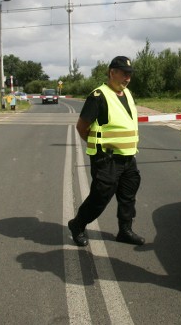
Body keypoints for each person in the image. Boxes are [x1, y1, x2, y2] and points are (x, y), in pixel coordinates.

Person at [68, 56, 145, 247]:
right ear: (112, 73)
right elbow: (81, 127)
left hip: (128, 158)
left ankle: (125, 231)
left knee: (128, 196)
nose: (128, 78)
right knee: (100, 198)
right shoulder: (98, 96)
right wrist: (99, 147)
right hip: (107, 159)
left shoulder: (126, 93)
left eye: (130, 74)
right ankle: (77, 224)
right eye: (124, 74)